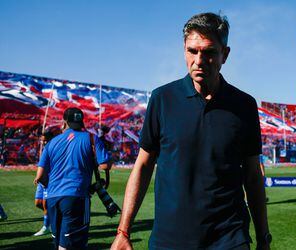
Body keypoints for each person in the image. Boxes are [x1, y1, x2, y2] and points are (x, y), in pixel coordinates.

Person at [111, 12, 271, 250]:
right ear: (184, 50)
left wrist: (263, 238)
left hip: (229, 239)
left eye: (208, 52)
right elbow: (143, 166)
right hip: (170, 239)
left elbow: (252, 175)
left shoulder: (244, 105)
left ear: (224, 55)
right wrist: (123, 231)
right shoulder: (162, 99)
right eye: (192, 51)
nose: (198, 60)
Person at [34, 107, 110, 249]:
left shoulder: (52, 142)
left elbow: (40, 177)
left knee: (59, 244)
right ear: (81, 121)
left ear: (65, 122)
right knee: (75, 245)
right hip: (77, 196)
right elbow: (105, 165)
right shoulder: (91, 138)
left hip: (53, 199)